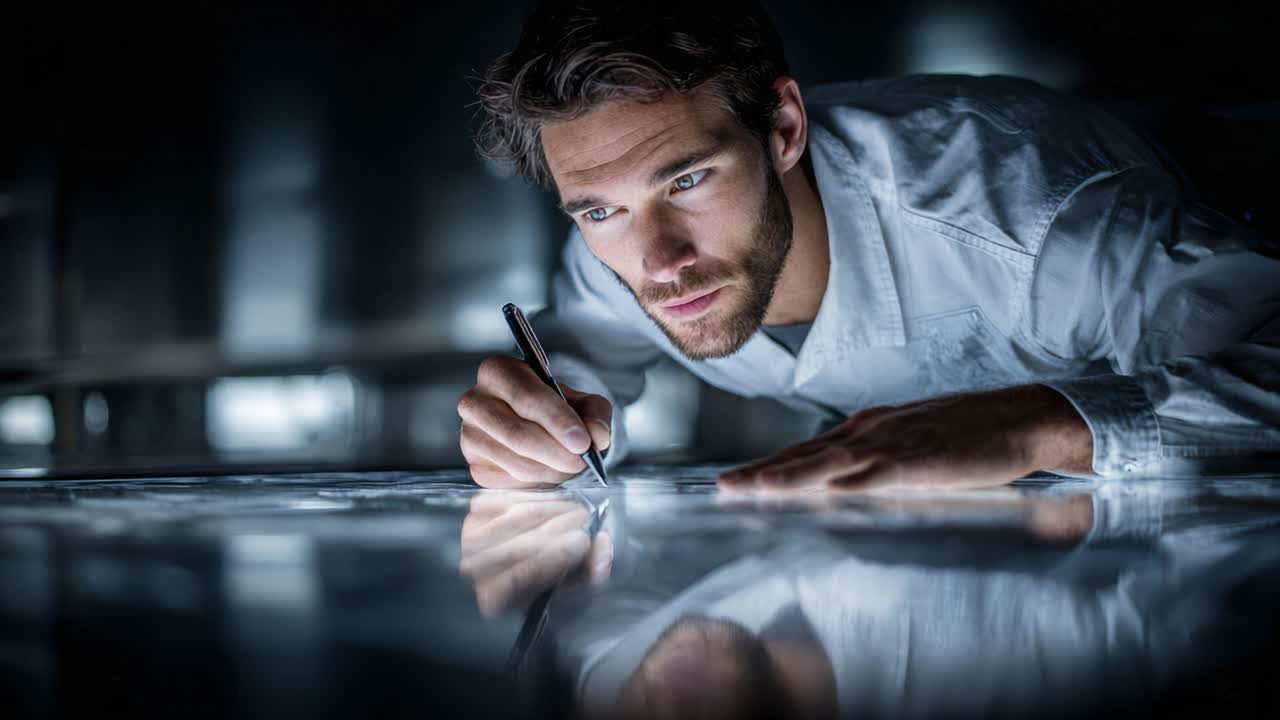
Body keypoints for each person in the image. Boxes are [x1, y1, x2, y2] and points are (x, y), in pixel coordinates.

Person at [455, 0, 1280, 492]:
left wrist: (1038, 426)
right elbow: (584, 355)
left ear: (782, 128)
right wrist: (549, 426)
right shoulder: (617, 260)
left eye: (687, 182)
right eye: (599, 212)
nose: (659, 261)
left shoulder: (1031, 214)